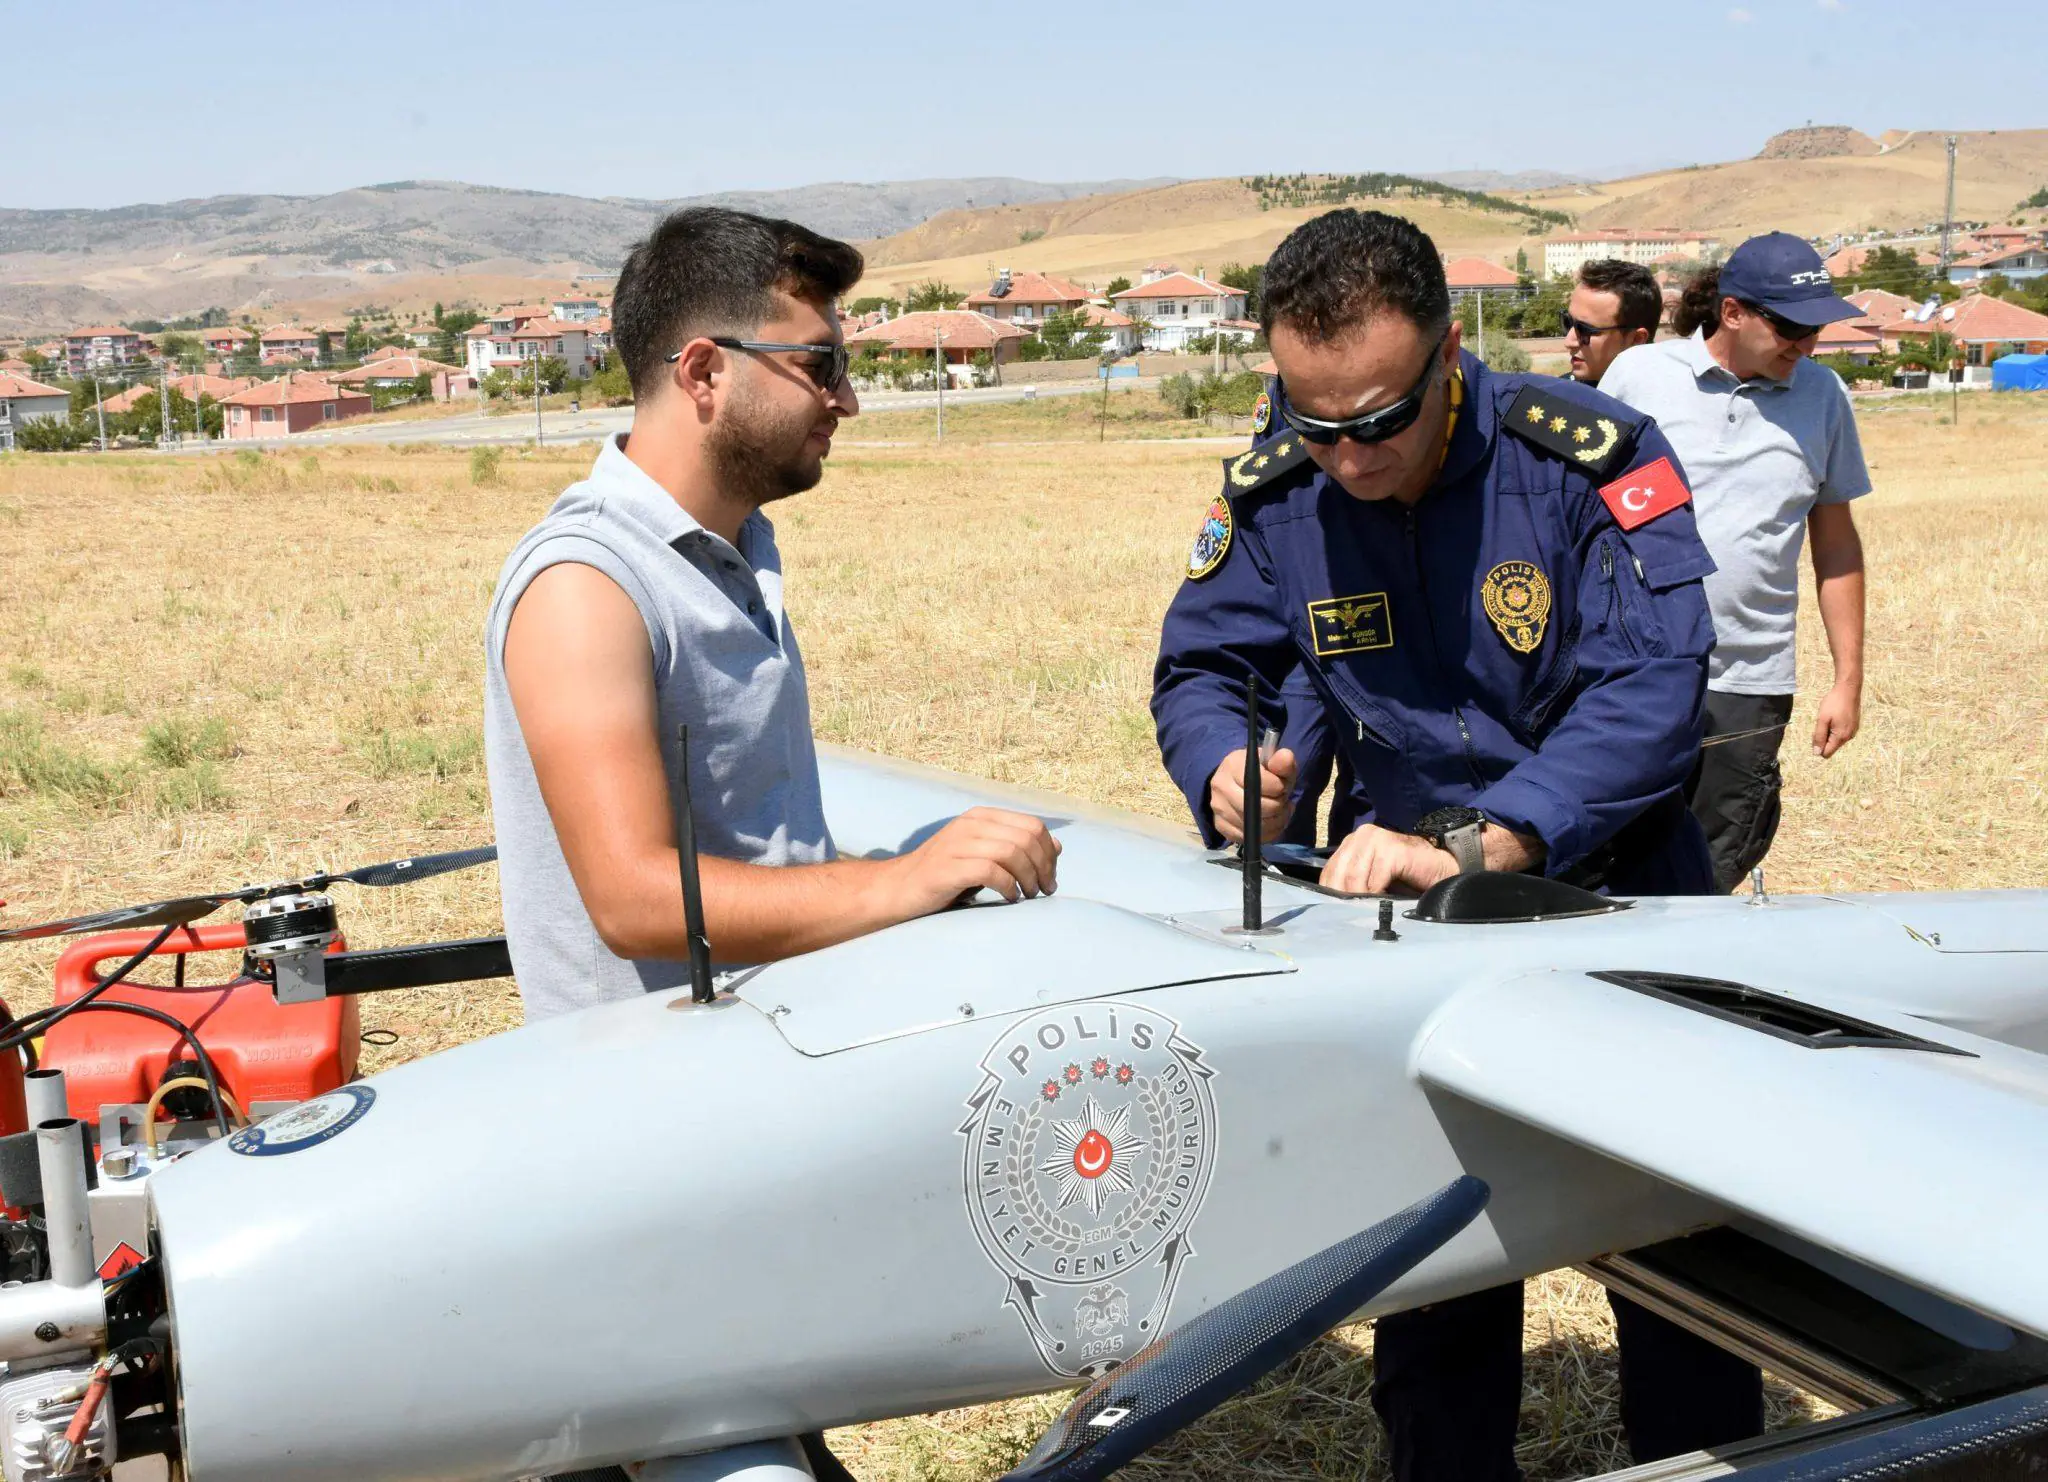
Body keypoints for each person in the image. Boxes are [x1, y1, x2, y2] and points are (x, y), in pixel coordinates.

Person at [1152, 207, 1760, 1478]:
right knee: (1427, 1264)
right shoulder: (1280, 484)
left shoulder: (1588, 459)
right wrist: (1228, 770)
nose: (1346, 456)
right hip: (1397, 922)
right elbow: (1210, 660)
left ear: (1447, 361)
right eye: (1311, 421)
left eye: (1374, 419)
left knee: (1677, 1262)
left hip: (1613, 894)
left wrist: (1500, 836)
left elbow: (1653, 688)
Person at [483, 207, 1060, 1023]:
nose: (847, 401)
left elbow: (762, 853)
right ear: (705, 373)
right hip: (669, 1102)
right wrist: (901, 879)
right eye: (822, 366)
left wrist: (916, 879)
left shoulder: (731, 551)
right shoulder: (589, 583)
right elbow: (633, 900)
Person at [1599, 232, 1871, 893]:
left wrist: (1848, 681)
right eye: (1789, 327)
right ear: (1732, 313)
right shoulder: (1640, 377)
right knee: (1605, 857)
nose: (1804, 346)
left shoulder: (1824, 397)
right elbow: (1573, 515)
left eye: (1816, 330)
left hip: (1749, 680)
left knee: (1714, 869)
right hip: (1633, 668)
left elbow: (1836, 545)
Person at [1564, 259, 1662, 385]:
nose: (1568, 342)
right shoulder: (1557, 394)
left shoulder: (1655, 402)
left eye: (1585, 330)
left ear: (1636, 339)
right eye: (1567, 322)